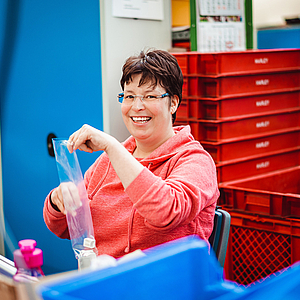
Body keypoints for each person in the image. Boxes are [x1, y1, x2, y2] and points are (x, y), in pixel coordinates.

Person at [43, 49, 219, 258]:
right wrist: (58, 200)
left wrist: (113, 147)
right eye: (129, 96)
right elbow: (64, 228)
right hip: (107, 279)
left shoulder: (195, 161)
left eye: (150, 96)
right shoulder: (107, 162)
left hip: (168, 283)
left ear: (173, 103)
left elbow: (166, 211)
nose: (137, 106)